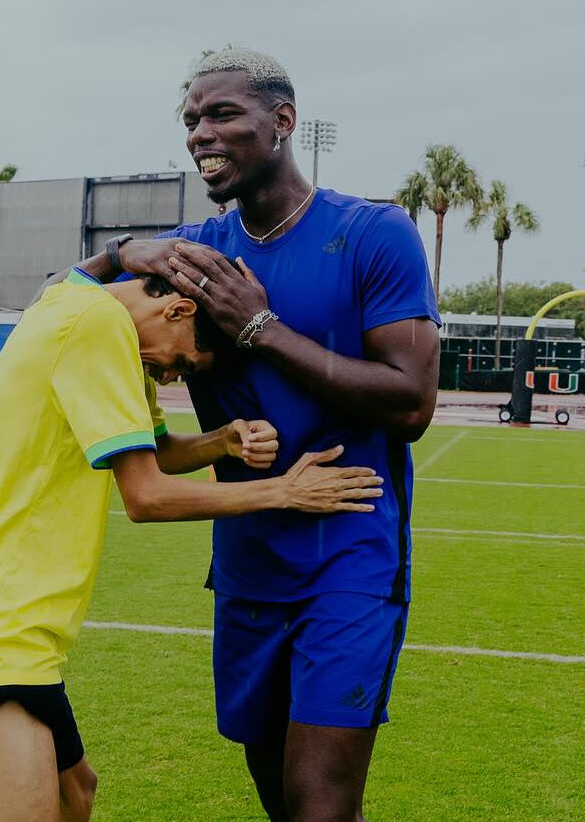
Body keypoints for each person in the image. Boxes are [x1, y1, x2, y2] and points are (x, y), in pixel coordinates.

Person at [65, 49, 441, 821]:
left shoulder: (375, 232)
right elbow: (54, 312)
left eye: (223, 114)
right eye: (192, 120)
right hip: (246, 570)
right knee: (282, 798)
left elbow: (411, 403)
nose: (202, 133)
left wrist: (260, 328)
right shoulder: (190, 253)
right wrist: (119, 254)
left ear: (283, 121)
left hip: (350, 556)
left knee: (321, 807)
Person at [0, 269, 385, 822]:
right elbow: (145, 496)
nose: (171, 376)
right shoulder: (100, 325)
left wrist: (223, 441)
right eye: (185, 362)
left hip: (14, 629)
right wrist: (286, 491)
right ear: (179, 310)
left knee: (75, 796)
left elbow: (150, 450)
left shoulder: (80, 306)